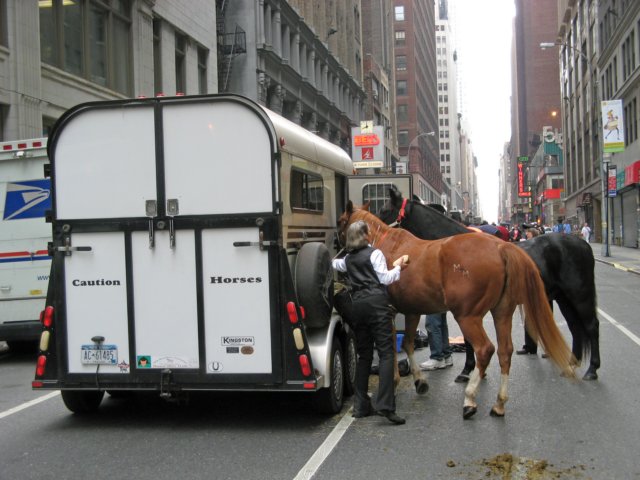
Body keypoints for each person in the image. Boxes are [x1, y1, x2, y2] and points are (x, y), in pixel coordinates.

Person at [332, 220, 409, 425]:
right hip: (377, 303)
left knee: (364, 355)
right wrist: (399, 266)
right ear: (365, 235)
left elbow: (332, 263)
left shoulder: (347, 259)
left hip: (357, 305)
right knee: (385, 353)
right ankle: (385, 405)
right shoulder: (375, 253)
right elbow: (385, 278)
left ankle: (360, 406)